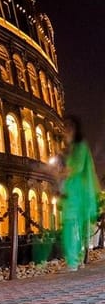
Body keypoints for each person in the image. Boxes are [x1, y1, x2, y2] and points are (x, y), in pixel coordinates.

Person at [59, 116, 101, 271]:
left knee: (71, 226)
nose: (65, 131)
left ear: (75, 129)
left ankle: (73, 262)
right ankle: (76, 260)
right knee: (74, 226)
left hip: (76, 192)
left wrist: (61, 172)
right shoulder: (73, 148)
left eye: (68, 128)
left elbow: (75, 167)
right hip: (75, 192)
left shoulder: (80, 146)